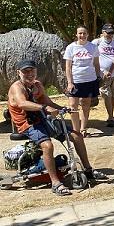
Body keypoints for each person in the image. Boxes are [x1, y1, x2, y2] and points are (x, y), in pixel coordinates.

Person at [7, 60, 106, 196]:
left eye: (32, 71)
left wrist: (63, 109)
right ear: (19, 73)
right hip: (27, 124)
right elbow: (22, 103)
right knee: (47, 146)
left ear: (36, 71)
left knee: (76, 136)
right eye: (25, 72)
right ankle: (56, 183)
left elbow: (48, 102)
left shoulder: (37, 85)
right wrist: (43, 108)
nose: (29, 74)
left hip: (42, 119)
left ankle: (88, 170)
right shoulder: (17, 87)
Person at [64, 25, 100, 137]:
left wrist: (99, 77)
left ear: (88, 35)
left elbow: (96, 64)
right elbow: (68, 67)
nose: (82, 35)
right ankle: (76, 130)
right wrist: (70, 82)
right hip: (76, 80)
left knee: (85, 104)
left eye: (84, 33)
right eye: (80, 33)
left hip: (89, 79)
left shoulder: (93, 47)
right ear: (76, 34)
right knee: (73, 105)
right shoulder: (71, 47)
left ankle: (83, 128)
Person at [93, 23, 114, 127]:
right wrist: (100, 71)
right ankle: (110, 117)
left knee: (113, 95)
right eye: (108, 32)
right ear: (103, 32)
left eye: (111, 33)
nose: (110, 35)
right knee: (106, 95)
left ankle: (111, 115)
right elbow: (93, 58)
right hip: (103, 74)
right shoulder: (96, 43)